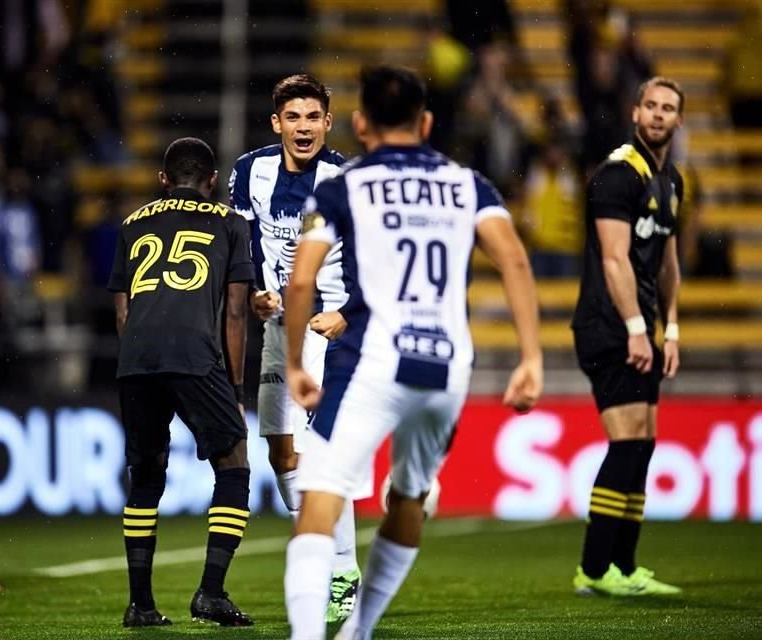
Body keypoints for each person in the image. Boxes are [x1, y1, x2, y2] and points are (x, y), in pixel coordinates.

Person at [282, 65, 543, 640]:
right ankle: (361, 629)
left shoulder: (343, 187)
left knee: (320, 494)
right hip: (446, 366)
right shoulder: (468, 184)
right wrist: (531, 358)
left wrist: (297, 363)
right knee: (410, 496)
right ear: (425, 121)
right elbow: (515, 261)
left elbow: (301, 282)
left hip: (375, 360)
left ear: (358, 123)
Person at [228, 74, 362, 622]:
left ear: (328, 123)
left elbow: (375, 256)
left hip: (327, 330)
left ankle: (342, 570)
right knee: (281, 453)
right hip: (278, 327)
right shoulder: (248, 170)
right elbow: (241, 242)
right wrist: (254, 295)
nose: (303, 127)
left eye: (313, 117)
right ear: (276, 122)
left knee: (322, 456)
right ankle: (319, 545)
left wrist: (348, 313)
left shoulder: (347, 178)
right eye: (294, 117)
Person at [108, 137, 255, 627]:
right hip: (193, 352)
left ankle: (140, 605)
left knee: (146, 475)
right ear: (212, 181)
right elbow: (235, 311)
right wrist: (233, 391)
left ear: (163, 180)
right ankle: (210, 592)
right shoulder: (230, 222)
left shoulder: (132, 223)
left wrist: (142, 359)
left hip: (136, 358)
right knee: (233, 461)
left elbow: (123, 309)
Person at [570, 77, 685, 597]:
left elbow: (668, 264)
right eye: (652, 106)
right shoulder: (618, 175)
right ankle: (594, 570)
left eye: (669, 108)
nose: (659, 115)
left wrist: (672, 328)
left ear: (678, 119)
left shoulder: (672, 180)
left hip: (643, 328)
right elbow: (614, 258)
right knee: (627, 442)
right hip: (609, 325)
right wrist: (638, 329)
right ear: (635, 111)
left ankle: (623, 566)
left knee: (642, 444)